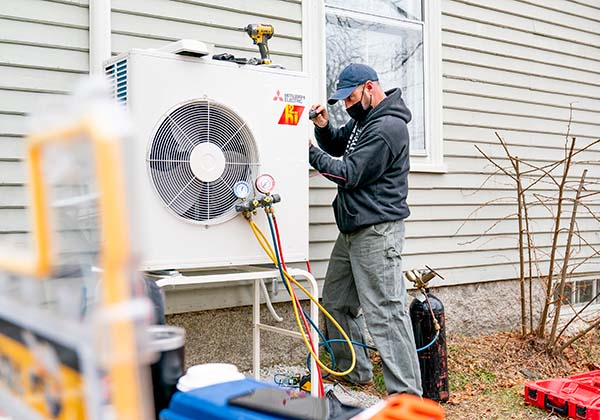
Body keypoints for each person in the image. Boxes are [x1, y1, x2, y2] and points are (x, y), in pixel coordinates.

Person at [308, 63, 422, 396]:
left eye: (350, 97)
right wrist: (324, 127)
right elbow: (338, 146)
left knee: (385, 312)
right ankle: (354, 371)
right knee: (335, 301)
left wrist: (306, 154)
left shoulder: (388, 128)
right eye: (342, 101)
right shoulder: (365, 121)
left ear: (369, 88)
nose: (347, 105)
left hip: (376, 232)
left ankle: (407, 396)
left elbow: (349, 172)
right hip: (353, 230)